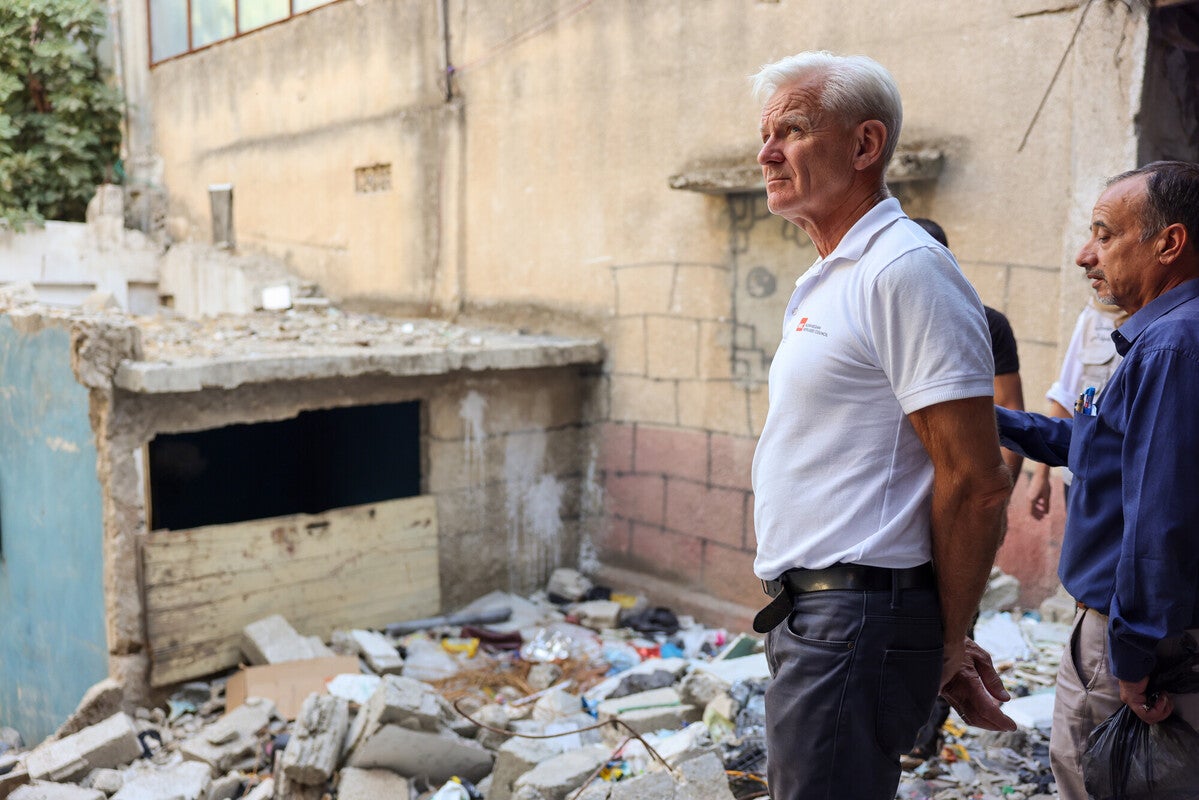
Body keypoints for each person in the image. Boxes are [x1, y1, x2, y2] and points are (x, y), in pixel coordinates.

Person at [747, 51, 1015, 800]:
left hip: (854, 621)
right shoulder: (833, 274)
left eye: (791, 130)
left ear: (864, 146)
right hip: (818, 617)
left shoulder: (903, 269)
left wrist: (949, 640)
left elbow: (976, 482)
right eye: (763, 134)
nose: (765, 153)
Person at [994, 161, 1199, 800]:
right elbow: (1092, 447)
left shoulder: (1172, 348)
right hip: (1147, 630)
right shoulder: (1160, 341)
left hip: (1135, 637)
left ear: (1169, 243)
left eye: (1105, 234)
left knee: (1097, 781)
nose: (1087, 255)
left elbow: (1158, 521)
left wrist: (1132, 659)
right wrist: (981, 417)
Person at [906, 217, 1027, 761]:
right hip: (904, 501)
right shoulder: (881, 314)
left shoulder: (983, 322)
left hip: (954, 495)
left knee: (952, 616)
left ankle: (921, 737)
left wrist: (991, 499)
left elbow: (1009, 415)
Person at [1025, 298, 1126, 519]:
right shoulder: (1095, 314)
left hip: (1130, 484)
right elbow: (1067, 396)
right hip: (1084, 479)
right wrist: (1042, 474)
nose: (1085, 262)